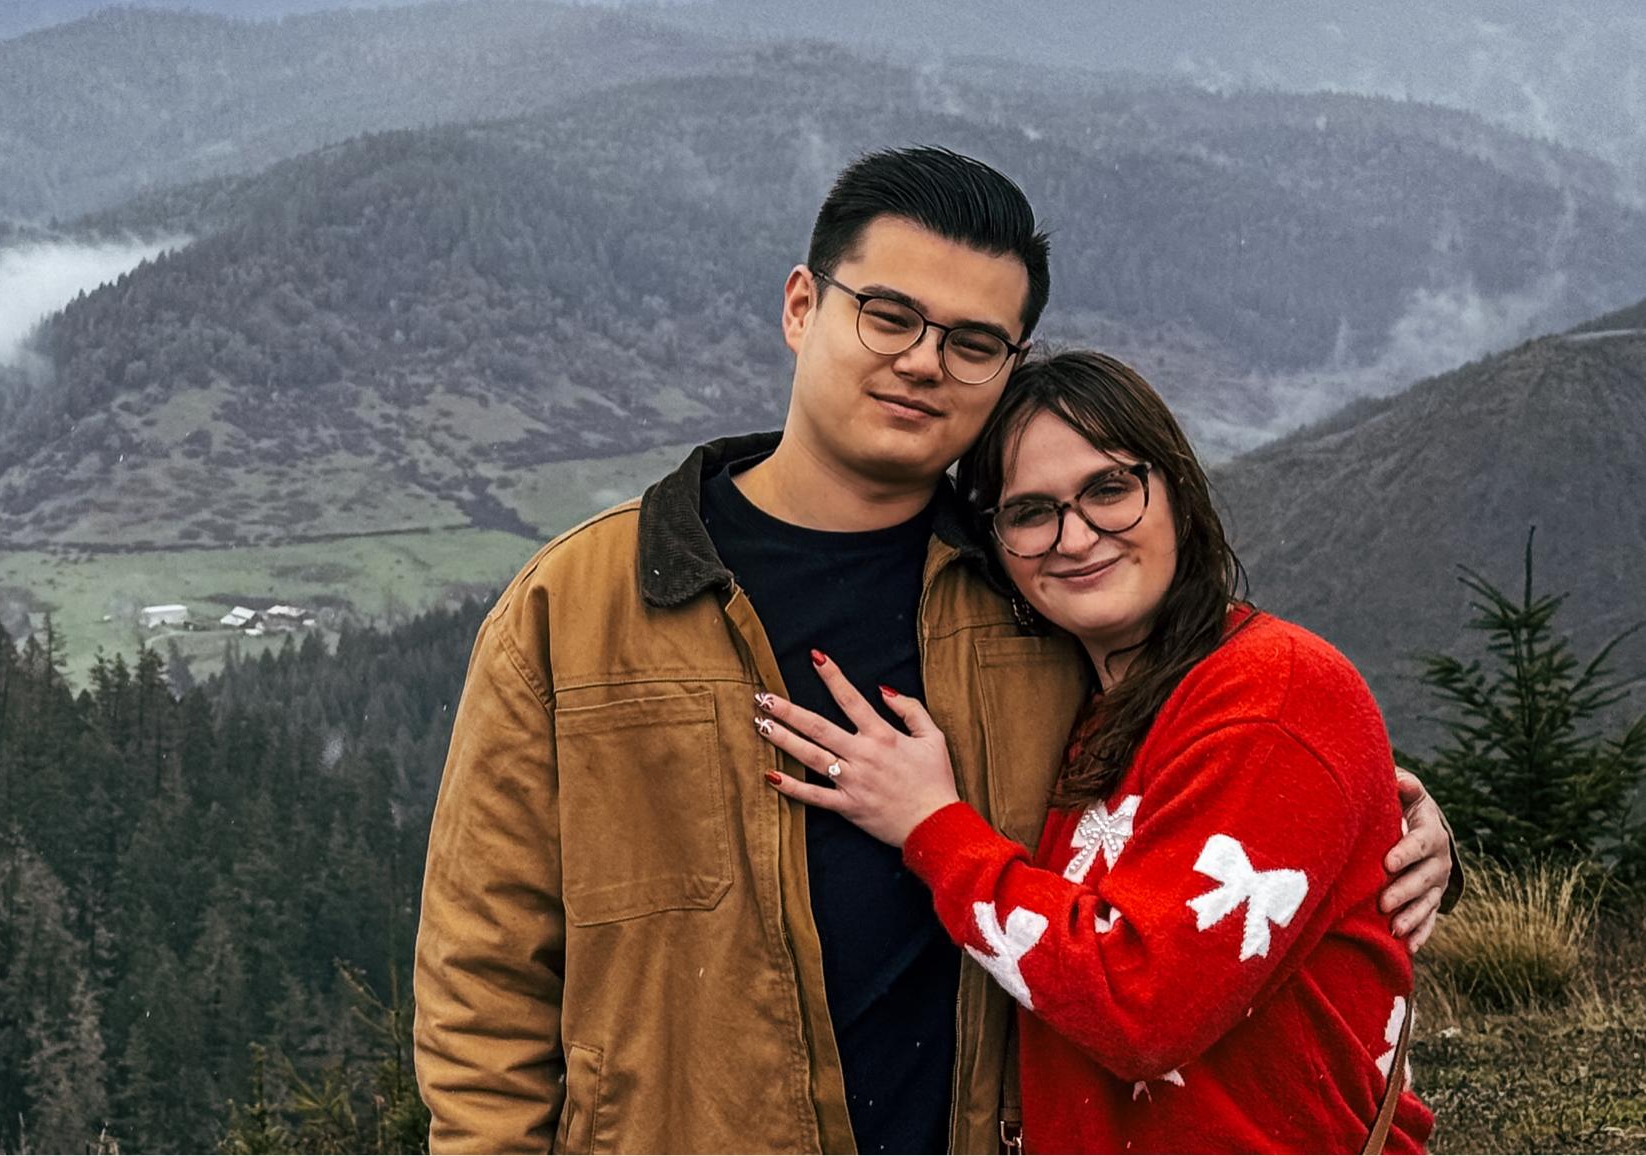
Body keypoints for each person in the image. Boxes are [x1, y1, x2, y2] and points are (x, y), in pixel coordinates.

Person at [412, 148, 1455, 1153]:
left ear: (1008, 368)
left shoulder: (1036, 597)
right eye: (889, 314)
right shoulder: (579, 606)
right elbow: (485, 971)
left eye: (973, 341)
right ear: (801, 306)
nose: (922, 360)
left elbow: (1207, 772)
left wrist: (1387, 822)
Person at [755, 350, 1435, 1152]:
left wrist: (930, 825)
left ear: (1177, 491)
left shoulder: (1275, 691)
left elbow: (1142, 1007)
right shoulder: (1083, 702)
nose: (1074, 538)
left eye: (1109, 489)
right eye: (1030, 511)